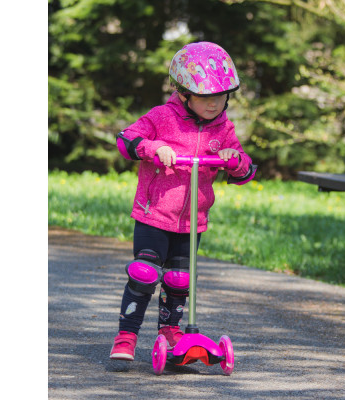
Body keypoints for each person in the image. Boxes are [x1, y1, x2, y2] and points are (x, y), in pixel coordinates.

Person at [110, 42, 256, 361]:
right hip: (154, 216)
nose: (214, 104)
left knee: (179, 280)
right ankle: (126, 336)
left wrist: (234, 160)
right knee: (145, 273)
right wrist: (154, 148)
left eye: (221, 96)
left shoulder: (224, 128)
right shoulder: (162, 117)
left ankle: (170, 333)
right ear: (184, 92)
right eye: (206, 96)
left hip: (193, 221)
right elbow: (127, 140)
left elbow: (245, 169)